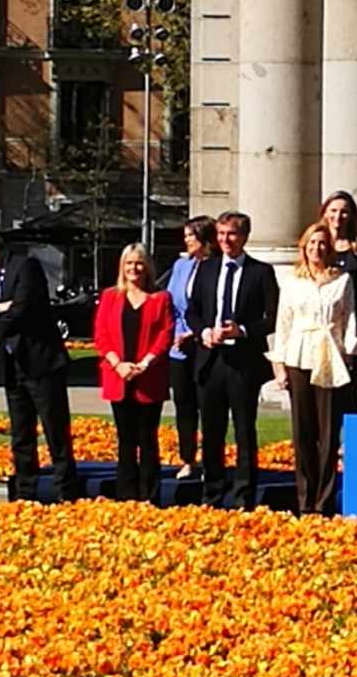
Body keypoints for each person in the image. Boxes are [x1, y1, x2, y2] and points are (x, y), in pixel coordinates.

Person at [0, 230, 81, 501]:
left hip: (41, 362)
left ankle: (67, 492)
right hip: (12, 365)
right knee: (21, 432)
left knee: (55, 430)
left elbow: (24, 309)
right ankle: (26, 492)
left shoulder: (25, 267)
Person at [187, 211, 281, 511]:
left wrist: (242, 331)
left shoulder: (260, 272)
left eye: (232, 234)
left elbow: (273, 317)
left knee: (243, 431)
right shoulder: (206, 268)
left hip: (243, 363)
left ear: (244, 237)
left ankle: (243, 496)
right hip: (210, 359)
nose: (226, 240)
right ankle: (211, 493)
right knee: (211, 431)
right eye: (222, 234)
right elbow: (192, 310)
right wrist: (202, 331)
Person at [269, 222, 357, 515]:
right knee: (303, 431)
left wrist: (348, 356)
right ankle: (304, 499)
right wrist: (279, 365)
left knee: (328, 432)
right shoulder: (292, 282)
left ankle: (324, 500)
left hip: (330, 358)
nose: (317, 249)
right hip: (299, 356)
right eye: (312, 243)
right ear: (304, 247)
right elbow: (283, 324)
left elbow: (349, 321)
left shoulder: (342, 280)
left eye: (322, 243)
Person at [94, 244, 174, 502]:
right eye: (129, 263)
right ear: (122, 266)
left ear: (147, 266)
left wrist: (146, 362)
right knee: (126, 441)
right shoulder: (110, 296)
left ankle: (149, 496)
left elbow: (166, 333)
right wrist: (118, 364)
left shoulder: (161, 298)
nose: (134, 268)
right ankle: (126, 495)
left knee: (148, 439)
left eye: (139, 263)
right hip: (118, 376)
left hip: (149, 377)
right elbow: (101, 335)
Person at [161, 215, 215, 481]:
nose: (186, 241)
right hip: (179, 348)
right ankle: (187, 459)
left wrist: (194, 333)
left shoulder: (216, 266)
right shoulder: (181, 265)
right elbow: (169, 302)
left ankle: (211, 460)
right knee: (184, 405)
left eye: (190, 236)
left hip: (205, 344)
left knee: (208, 405)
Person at [319, 190, 357, 411]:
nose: (338, 216)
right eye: (333, 210)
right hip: (323, 330)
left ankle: (349, 442)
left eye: (344, 212)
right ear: (325, 213)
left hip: (351, 332)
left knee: (347, 392)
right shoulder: (317, 245)